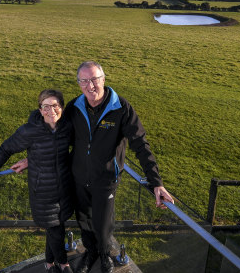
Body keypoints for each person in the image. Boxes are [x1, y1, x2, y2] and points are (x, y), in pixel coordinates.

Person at [67, 61, 174, 273]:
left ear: (104, 79)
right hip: (79, 177)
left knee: (103, 224)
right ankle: (91, 253)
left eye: (95, 79)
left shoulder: (120, 108)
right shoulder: (74, 107)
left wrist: (156, 183)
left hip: (105, 180)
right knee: (84, 220)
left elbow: (140, 144)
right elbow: (56, 138)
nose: (91, 86)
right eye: (84, 81)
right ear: (79, 83)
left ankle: (105, 255)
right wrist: (30, 159)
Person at [0, 89, 74, 273]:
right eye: (46, 106)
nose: (51, 110)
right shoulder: (30, 131)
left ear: (61, 107)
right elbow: (5, 149)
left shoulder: (67, 128)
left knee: (55, 226)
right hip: (43, 192)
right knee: (56, 229)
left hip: (64, 190)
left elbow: (66, 151)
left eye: (55, 105)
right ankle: (63, 264)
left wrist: (31, 159)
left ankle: (49, 263)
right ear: (39, 109)